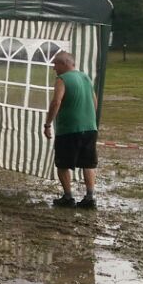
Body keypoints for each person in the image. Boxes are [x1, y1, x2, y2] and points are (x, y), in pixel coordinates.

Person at [43, 51, 99, 209]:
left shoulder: (62, 79)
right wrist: (89, 118)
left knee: (62, 164)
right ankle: (90, 197)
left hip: (69, 129)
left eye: (55, 64)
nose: (54, 68)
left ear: (64, 63)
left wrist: (47, 124)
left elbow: (56, 102)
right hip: (89, 128)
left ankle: (68, 197)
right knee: (88, 164)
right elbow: (94, 101)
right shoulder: (85, 77)